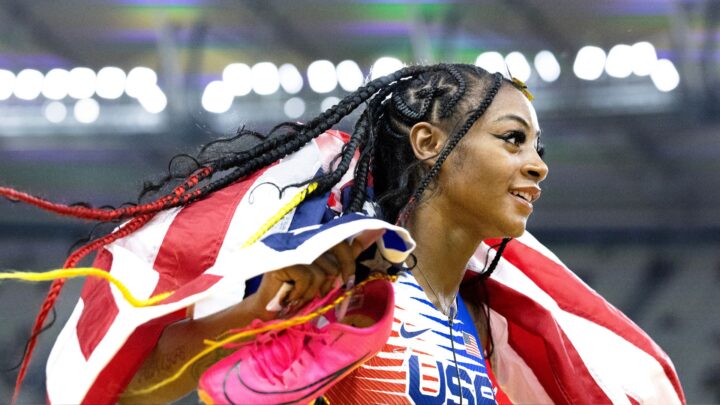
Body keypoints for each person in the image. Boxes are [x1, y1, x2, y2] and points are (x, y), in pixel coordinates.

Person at [1, 63, 684, 404]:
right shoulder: (344, 284)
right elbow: (126, 395)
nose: (537, 164)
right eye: (512, 140)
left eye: (537, 146)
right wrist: (242, 318)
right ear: (428, 142)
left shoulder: (493, 321)